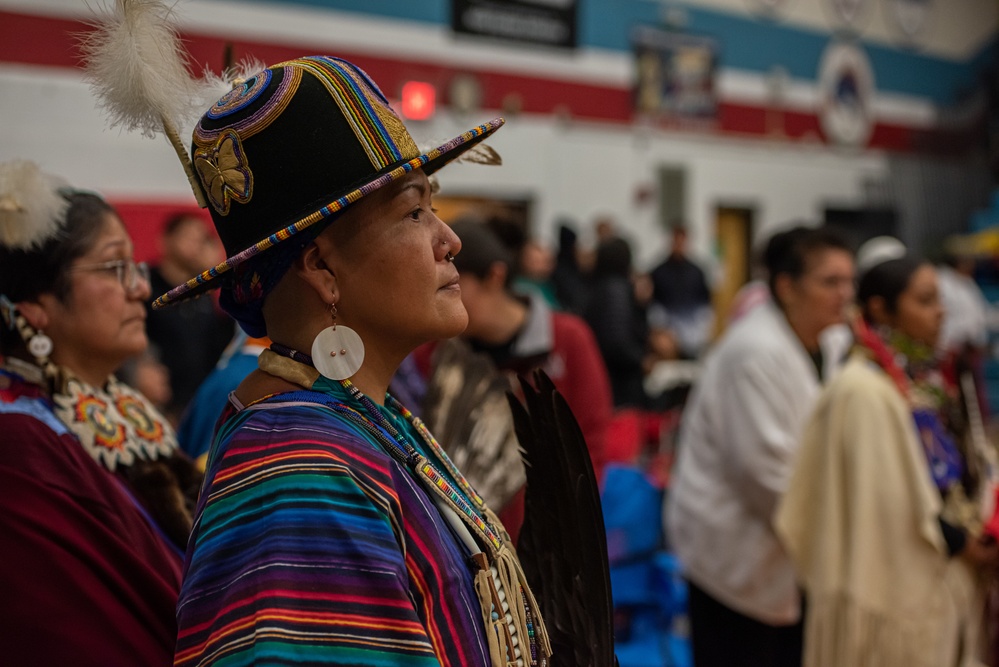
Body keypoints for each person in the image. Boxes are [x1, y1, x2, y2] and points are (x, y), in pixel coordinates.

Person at [105, 54, 552, 665]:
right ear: (320, 267)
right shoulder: (301, 469)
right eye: (415, 212)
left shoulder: (356, 414)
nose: (450, 241)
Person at [0, 161, 197, 664]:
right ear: (35, 307)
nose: (140, 289)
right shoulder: (20, 443)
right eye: (114, 268)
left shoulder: (128, 411)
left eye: (134, 267)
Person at [776, 247, 999, 667]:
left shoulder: (928, 380)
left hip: (947, 587)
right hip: (891, 602)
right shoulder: (860, 390)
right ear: (882, 309)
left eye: (940, 301)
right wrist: (959, 540)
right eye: (925, 300)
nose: (940, 314)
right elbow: (887, 510)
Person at [666, 226, 855, 667]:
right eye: (831, 282)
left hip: (786, 551)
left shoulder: (828, 342)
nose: (845, 294)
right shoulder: (755, 352)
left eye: (850, 281)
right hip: (736, 558)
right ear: (787, 286)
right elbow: (769, 479)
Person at [419, 217, 613, 538]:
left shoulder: (569, 340)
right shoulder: (433, 352)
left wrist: (565, 525)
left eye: (451, 286)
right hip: (459, 538)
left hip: (547, 540)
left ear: (495, 277)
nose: (440, 299)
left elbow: (591, 444)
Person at [145, 212, 233, 421]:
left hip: (197, 410)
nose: (197, 246)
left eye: (202, 239)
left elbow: (222, 348)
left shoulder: (202, 295)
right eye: (189, 237)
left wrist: (218, 275)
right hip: (155, 407)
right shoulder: (144, 287)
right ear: (165, 241)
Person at [584, 236, 655, 408]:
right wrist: (639, 360)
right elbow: (616, 340)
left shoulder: (597, 285)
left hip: (604, 373)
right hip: (619, 379)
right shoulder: (616, 290)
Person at [649, 225, 714, 357]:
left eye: (682, 241)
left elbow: (705, 303)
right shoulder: (659, 271)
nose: (679, 245)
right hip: (666, 336)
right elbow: (653, 305)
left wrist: (703, 331)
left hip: (693, 334)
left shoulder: (696, 271)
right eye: (676, 241)